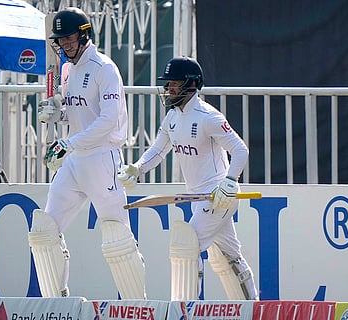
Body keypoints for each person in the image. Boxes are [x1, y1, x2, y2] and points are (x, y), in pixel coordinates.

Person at [118, 56, 259, 301]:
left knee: (187, 246)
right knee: (229, 256)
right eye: (168, 84)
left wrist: (230, 181)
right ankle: (252, 308)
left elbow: (240, 150)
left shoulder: (208, 117)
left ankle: (186, 310)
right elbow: (158, 150)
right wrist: (137, 168)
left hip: (217, 196)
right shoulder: (173, 118)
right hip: (198, 197)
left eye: (174, 84)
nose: (169, 89)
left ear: (192, 84)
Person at [29, 7, 146, 299]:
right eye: (60, 40)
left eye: (69, 38)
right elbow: (75, 112)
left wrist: (71, 143)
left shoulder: (104, 68)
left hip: (101, 158)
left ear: (84, 35)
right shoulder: (67, 69)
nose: (64, 44)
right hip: (75, 159)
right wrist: (55, 112)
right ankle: (57, 303)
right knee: (45, 231)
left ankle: (138, 306)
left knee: (117, 237)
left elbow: (108, 120)